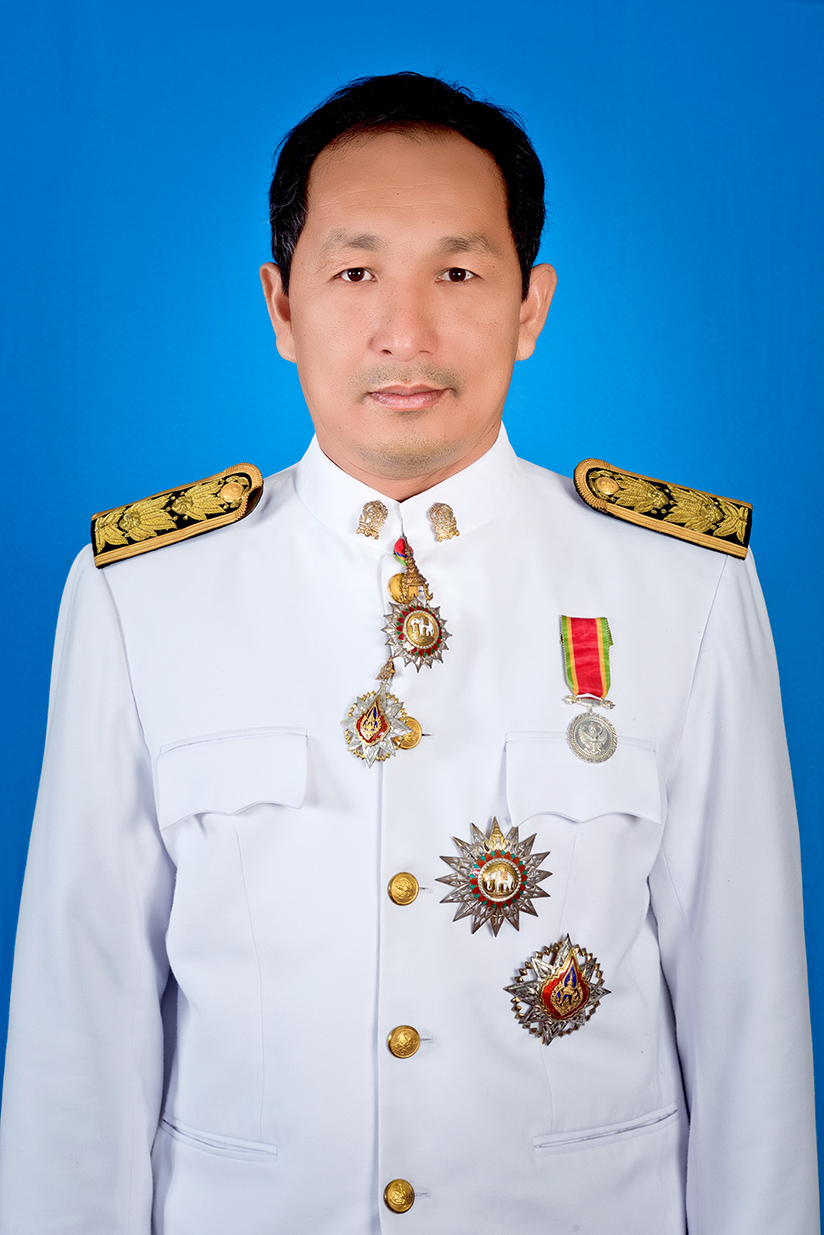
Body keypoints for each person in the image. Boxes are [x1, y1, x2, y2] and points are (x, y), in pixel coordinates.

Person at [0, 72, 817, 1234]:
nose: (405, 333)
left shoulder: (683, 586)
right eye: (354, 272)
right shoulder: (140, 593)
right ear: (281, 307)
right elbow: (78, 1028)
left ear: (529, 307)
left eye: (457, 272)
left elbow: (748, 1020)